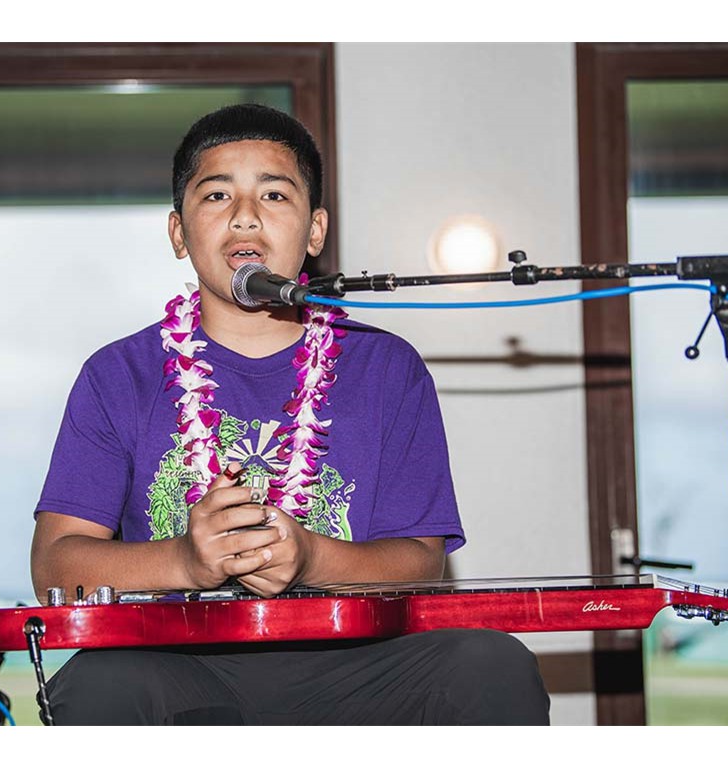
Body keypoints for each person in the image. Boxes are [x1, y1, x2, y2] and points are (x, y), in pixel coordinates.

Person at [30, 104, 550, 725]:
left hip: (356, 663)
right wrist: (186, 560)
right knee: (98, 683)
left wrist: (310, 557)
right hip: (177, 659)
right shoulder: (118, 374)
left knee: (490, 664)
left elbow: (420, 561)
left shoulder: (388, 367)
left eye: (274, 194)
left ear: (315, 230)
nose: (245, 215)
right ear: (178, 232)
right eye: (217, 194)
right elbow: (56, 565)